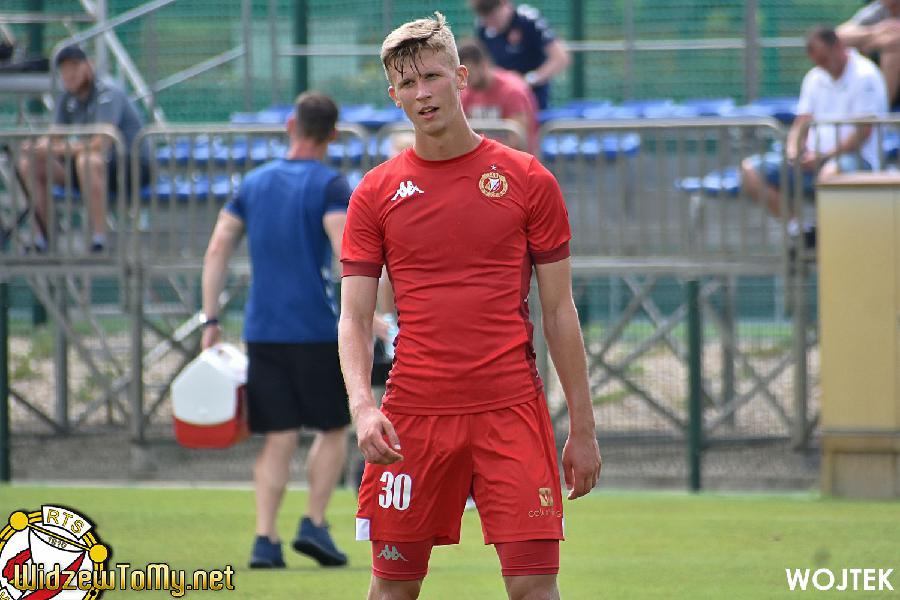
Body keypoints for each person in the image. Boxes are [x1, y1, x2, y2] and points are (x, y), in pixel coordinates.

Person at [339, 12, 601, 600]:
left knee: (535, 586)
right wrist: (363, 408)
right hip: (413, 418)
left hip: (511, 411)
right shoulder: (375, 193)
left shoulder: (528, 180)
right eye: (407, 83)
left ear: (460, 78)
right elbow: (354, 318)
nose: (422, 93)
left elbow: (560, 312)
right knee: (393, 588)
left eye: (432, 76)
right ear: (394, 95)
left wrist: (583, 428)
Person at [201, 92, 356, 569]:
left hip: (263, 329)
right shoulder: (331, 185)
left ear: (291, 125)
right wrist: (366, 314)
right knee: (334, 427)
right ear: (333, 135)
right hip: (316, 329)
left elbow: (218, 247)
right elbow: (347, 252)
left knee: (278, 435)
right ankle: (313, 522)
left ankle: (265, 539)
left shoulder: (252, 183)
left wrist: (211, 319)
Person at [740, 26, 887, 236]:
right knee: (750, 171)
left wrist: (824, 157)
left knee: (829, 175)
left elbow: (864, 131)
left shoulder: (865, 75)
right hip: (813, 161)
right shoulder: (814, 77)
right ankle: (800, 232)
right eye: (817, 62)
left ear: (838, 46)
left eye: (825, 59)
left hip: (857, 159)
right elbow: (802, 122)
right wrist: (794, 151)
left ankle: (830, 239)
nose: (823, 67)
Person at [17, 44, 148, 253]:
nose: (69, 74)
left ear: (89, 65)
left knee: (88, 160)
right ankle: (42, 238)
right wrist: (37, 147)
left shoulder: (108, 91)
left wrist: (55, 149)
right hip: (88, 169)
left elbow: (101, 142)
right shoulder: (66, 98)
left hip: (128, 167)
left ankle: (100, 239)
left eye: (74, 67)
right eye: (64, 69)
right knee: (31, 164)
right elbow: (54, 136)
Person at [469, 0, 570, 110]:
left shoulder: (529, 21)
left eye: (494, 17)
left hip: (532, 99)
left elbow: (560, 58)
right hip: (498, 102)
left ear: (504, 4)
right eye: (486, 18)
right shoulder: (482, 27)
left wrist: (529, 80)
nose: (491, 23)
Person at [458, 38, 539, 154]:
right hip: (483, 156)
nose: (465, 79)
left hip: (512, 158)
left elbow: (517, 139)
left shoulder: (512, 91)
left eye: (469, 72)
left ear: (483, 64)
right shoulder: (466, 92)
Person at [838, 0, 900, 108]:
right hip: (879, 74)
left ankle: (882, 109)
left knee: (893, 51)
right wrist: (874, 33)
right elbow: (838, 36)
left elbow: (894, 41)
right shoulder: (879, 10)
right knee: (853, 48)